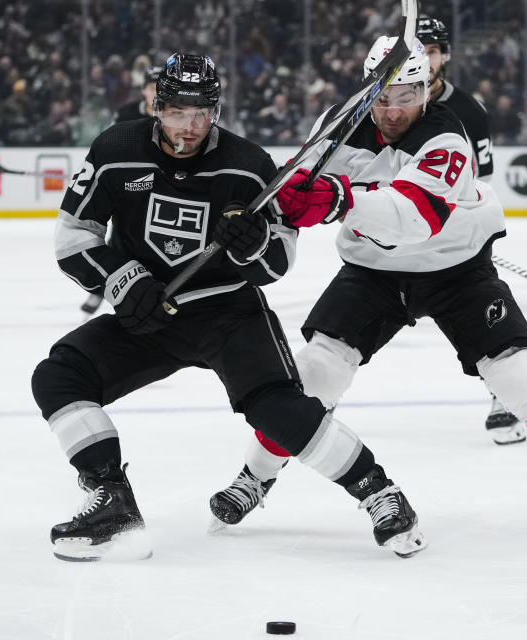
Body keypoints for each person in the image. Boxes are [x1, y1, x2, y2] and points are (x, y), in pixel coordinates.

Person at [209, 36, 527, 542]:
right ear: (369, 89)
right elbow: (297, 190)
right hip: (373, 273)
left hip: (456, 269)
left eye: (408, 96)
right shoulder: (338, 123)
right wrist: (266, 222)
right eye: (384, 97)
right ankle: (254, 477)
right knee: (314, 374)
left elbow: (413, 218)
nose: (394, 110)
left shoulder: (447, 137)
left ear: (428, 88)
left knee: (518, 375)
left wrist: (336, 200)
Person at [30, 53, 426, 562]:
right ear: (157, 104)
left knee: (277, 407)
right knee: (59, 376)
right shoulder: (115, 149)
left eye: (202, 113)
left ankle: (379, 492)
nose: (190, 127)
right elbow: (72, 238)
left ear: (216, 110)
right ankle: (112, 502)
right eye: (178, 113)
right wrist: (122, 280)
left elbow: (277, 263)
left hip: (228, 312)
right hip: (148, 311)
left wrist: (252, 244)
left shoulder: (249, 165)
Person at [417, 16, 523, 443]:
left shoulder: (468, 111)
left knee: (482, 314)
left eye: (432, 50)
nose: (424, 58)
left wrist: (466, 224)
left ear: (445, 56)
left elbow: (482, 182)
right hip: (394, 236)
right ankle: (316, 404)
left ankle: (503, 394)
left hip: (453, 239)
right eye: (417, 49)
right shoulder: (384, 104)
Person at [79, 66, 165, 316]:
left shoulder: (176, 115)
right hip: (132, 190)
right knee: (120, 239)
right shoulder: (126, 114)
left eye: (160, 88)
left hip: (164, 190)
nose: (156, 93)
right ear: (143, 91)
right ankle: (101, 288)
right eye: (151, 88)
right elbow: (108, 147)